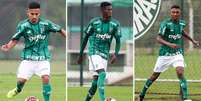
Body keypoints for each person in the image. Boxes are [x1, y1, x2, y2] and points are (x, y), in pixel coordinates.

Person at [1, 2, 66, 101]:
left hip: (43, 59)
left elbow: (60, 30)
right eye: (32, 14)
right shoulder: (23, 25)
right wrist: (8, 46)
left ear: (39, 13)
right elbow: (15, 39)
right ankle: (18, 90)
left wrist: (67, 37)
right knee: (21, 82)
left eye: (36, 14)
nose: (34, 16)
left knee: (46, 78)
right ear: (28, 12)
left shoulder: (46, 24)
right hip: (28, 60)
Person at [139, 5, 199, 101]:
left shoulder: (182, 23)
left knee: (180, 72)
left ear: (180, 14)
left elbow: (182, 32)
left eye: (177, 12)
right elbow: (158, 38)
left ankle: (185, 98)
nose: (175, 14)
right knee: (154, 76)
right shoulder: (165, 24)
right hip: (165, 55)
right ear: (170, 13)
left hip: (177, 54)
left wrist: (192, 41)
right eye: (173, 12)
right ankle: (142, 94)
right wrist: (170, 44)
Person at [77, 1, 121, 101]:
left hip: (105, 55)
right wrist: (80, 54)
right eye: (108, 9)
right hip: (94, 52)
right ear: (102, 10)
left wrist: (115, 54)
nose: (110, 11)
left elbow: (118, 41)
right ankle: (103, 99)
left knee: (94, 84)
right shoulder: (94, 22)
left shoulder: (115, 24)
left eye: (111, 9)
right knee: (102, 74)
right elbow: (85, 38)